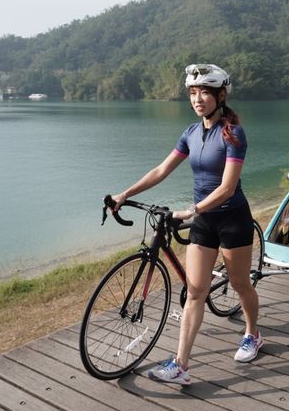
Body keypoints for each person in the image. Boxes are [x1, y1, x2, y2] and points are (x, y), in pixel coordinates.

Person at [110, 64, 261, 385]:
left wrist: (191, 210)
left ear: (220, 95)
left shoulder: (233, 133)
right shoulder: (191, 133)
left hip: (233, 218)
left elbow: (228, 188)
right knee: (194, 292)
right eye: (193, 93)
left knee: (240, 284)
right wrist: (125, 193)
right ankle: (181, 364)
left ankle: (253, 334)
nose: (198, 99)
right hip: (204, 222)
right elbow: (161, 170)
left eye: (204, 92)